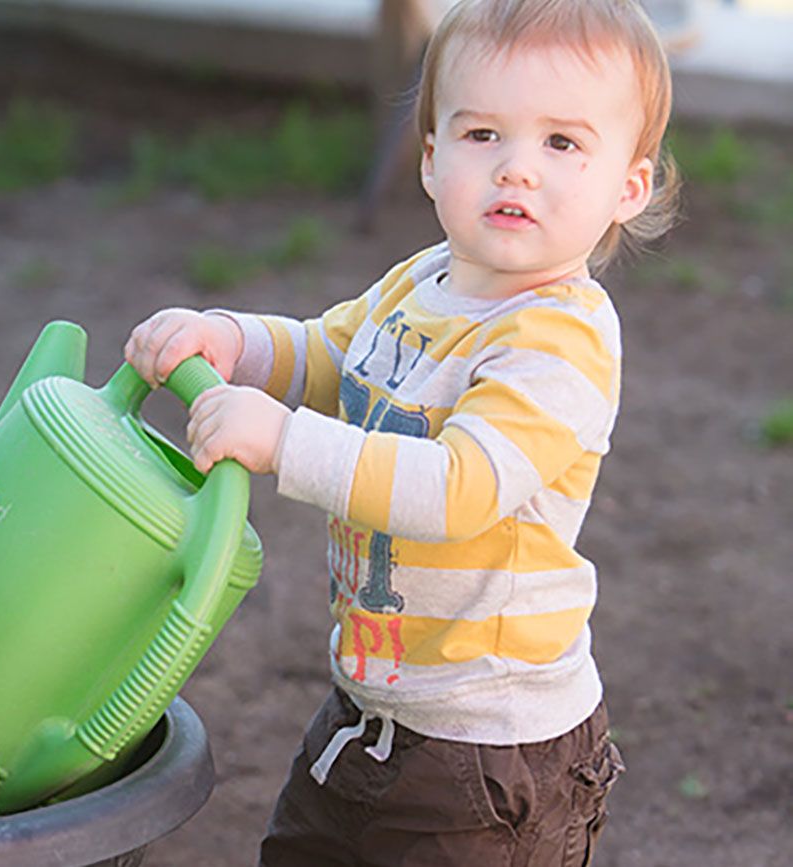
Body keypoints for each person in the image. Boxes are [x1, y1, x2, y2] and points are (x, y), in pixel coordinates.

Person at [125, 1, 679, 863]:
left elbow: (459, 488)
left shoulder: (558, 337)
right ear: (430, 159)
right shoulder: (422, 282)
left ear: (627, 187)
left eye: (560, 143)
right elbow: (326, 353)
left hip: (489, 748)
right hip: (373, 702)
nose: (516, 171)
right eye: (482, 134)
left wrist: (284, 443)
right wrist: (233, 340)